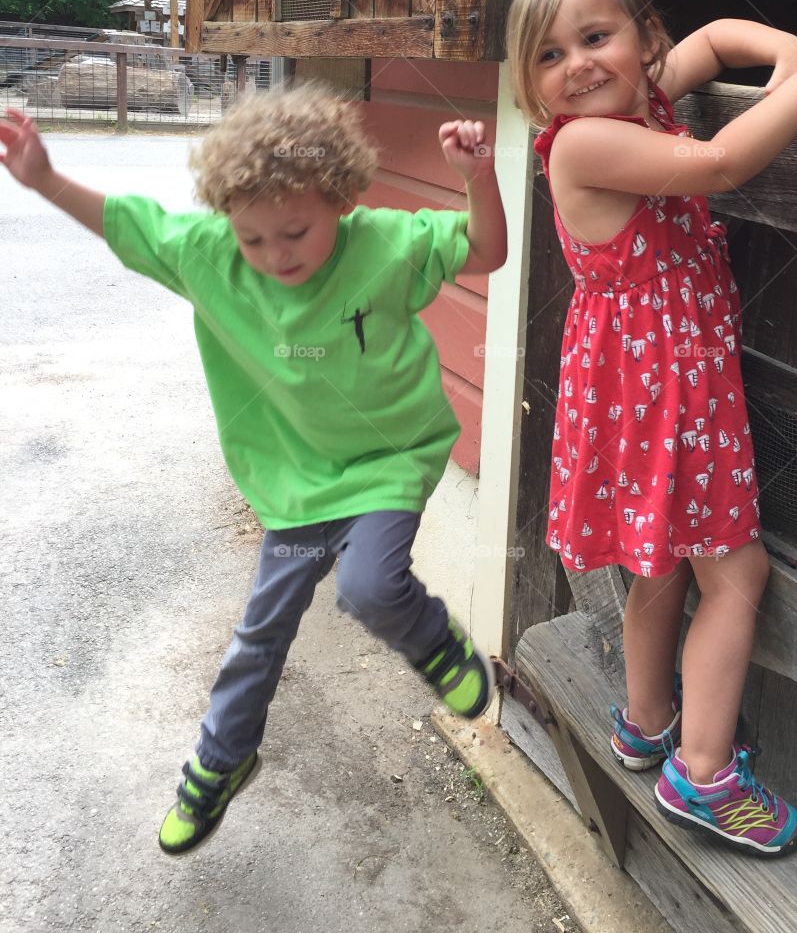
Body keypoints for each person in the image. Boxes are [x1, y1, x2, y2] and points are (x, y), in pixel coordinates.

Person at [0, 86, 508, 855]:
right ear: (227, 226)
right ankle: (221, 761)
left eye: (296, 232)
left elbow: (487, 251)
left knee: (369, 588)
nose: (276, 255)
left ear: (340, 198)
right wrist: (43, 179)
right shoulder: (206, 254)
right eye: (253, 239)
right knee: (259, 633)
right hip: (294, 485)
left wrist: (478, 177)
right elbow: (124, 222)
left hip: (386, 459)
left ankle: (435, 644)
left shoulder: (386, 244)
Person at [506, 0, 797, 857]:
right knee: (737, 573)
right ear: (530, 82)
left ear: (645, 38)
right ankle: (705, 773)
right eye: (550, 55)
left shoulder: (639, 100)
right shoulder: (585, 142)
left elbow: (716, 39)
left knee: (664, 562)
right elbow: (718, 164)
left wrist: (788, 53)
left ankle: (645, 724)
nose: (578, 65)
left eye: (595, 37)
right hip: (664, 398)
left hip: (652, 393)